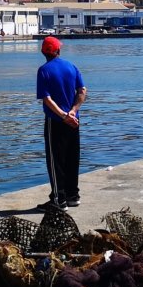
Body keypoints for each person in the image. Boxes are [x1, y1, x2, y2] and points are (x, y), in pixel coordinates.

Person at [36, 36, 87, 209]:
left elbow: (46, 98)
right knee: (72, 158)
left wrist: (63, 115)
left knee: (55, 160)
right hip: (74, 120)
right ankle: (73, 195)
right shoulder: (71, 66)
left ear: (44, 52)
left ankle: (59, 199)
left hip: (56, 121)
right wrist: (73, 111)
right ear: (58, 50)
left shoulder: (44, 70)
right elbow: (82, 90)